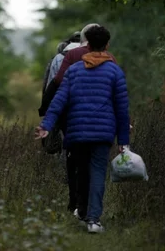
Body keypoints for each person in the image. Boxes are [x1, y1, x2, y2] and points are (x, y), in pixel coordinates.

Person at [35, 25, 130, 233]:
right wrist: (124, 140)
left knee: (82, 171)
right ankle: (94, 220)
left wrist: (46, 125)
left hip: (77, 131)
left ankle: (83, 211)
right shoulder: (115, 71)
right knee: (97, 173)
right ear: (106, 45)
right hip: (103, 132)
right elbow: (121, 108)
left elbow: (59, 99)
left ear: (86, 44)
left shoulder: (74, 70)